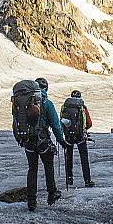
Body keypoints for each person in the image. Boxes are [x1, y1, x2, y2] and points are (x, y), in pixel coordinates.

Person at [24, 77, 67, 212]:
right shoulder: (47, 103)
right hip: (43, 142)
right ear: (46, 89)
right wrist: (61, 141)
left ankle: (31, 200)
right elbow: (55, 124)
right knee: (48, 166)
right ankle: (51, 193)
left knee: (32, 169)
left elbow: (17, 121)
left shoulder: (25, 102)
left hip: (28, 142)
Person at [60, 90, 94, 188]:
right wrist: (83, 129)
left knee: (68, 156)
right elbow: (89, 123)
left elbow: (61, 120)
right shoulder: (82, 107)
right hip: (80, 136)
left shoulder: (65, 107)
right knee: (84, 157)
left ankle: (69, 178)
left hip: (68, 136)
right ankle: (87, 180)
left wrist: (63, 132)